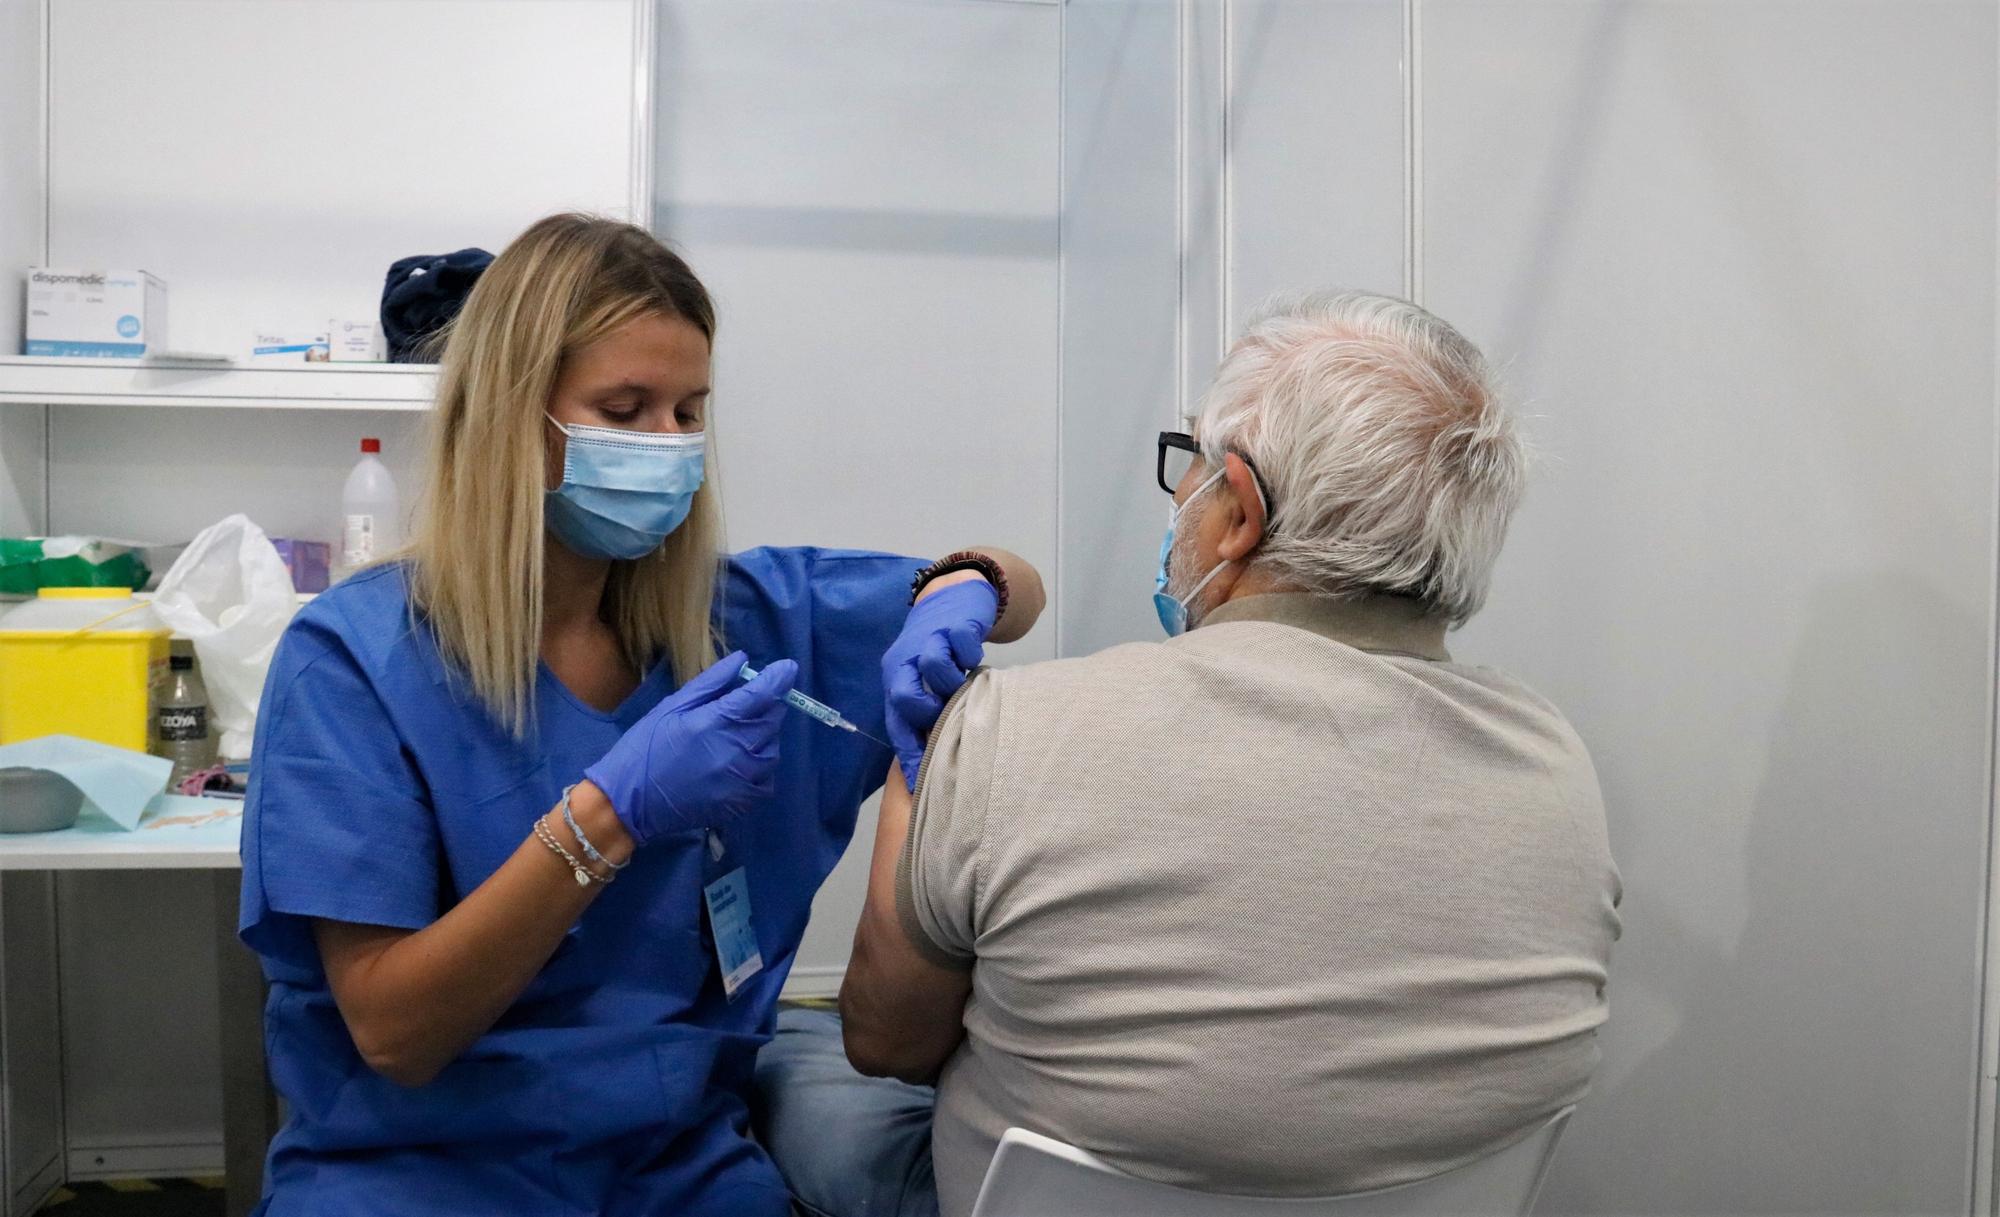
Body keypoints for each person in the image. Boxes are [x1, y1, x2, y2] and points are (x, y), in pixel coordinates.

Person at [237, 212, 1043, 1216]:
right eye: (625, 408)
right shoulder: (356, 659)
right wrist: (606, 814)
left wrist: (964, 587)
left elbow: (1014, 582)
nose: (669, 445)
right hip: (416, 1167)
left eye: (688, 410)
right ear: (508, 416)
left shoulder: (733, 617)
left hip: (673, 1164)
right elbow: (395, 1031)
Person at [753, 291, 1622, 1217]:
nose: (1182, 497)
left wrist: (912, 789)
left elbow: (886, 1044)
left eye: (1194, 464)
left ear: (1239, 514)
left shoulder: (1008, 733)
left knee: (786, 1061)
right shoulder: (1557, 762)